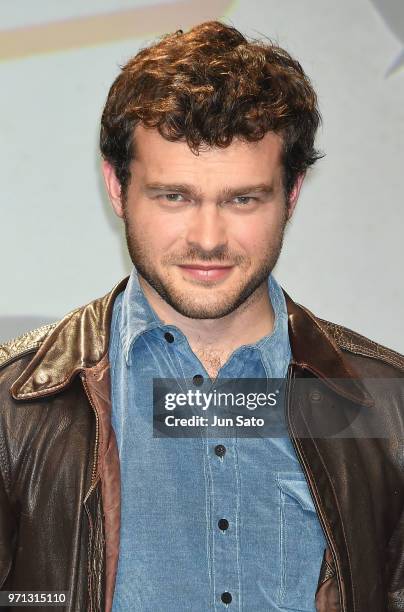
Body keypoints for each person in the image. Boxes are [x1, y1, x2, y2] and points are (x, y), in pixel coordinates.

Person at [0, 20, 403, 612]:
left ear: (290, 195)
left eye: (243, 199)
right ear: (117, 187)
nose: (208, 239)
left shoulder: (390, 408)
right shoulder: (13, 407)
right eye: (174, 196)